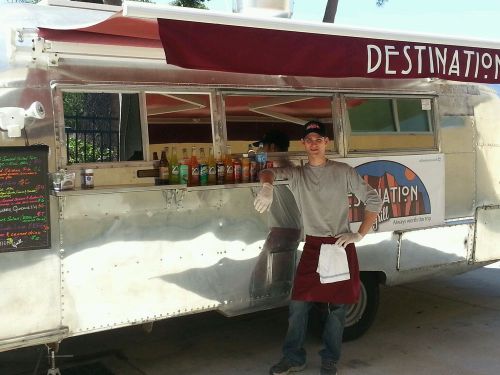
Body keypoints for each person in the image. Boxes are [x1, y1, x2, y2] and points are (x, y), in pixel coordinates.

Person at [254, 120, 383, 375]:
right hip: (313, 245)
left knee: (337, 310)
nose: (314, 144)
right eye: (309, 140)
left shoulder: (343, 171)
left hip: (338, 245)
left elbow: (374, 199)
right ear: (304, 144)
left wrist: (359, 234)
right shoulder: (297, 174)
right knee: (298, 304)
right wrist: (267, 186)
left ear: (326, 143)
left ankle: (330, 359)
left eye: (318, 139)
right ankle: (294, 357)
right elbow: (268, 172)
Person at [249, 129, 302, 299]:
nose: (259, 152)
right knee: (266, 280)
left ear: (272, 147)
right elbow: (260, 165)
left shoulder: (288, 169)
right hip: (282, 232)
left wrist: (267, 187)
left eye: (262, 147)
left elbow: (267, 173)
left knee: (270, 282)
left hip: (284, 233)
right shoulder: (278, 167)